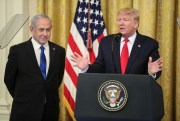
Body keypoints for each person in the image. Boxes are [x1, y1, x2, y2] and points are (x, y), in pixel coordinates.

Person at [71, 8, 163, 80]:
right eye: (119, 20)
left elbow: (155, 70)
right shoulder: (106, 42)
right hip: (112, 94)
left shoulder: (149, 44)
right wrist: (86, 67)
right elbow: (100, 68)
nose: (121, 23)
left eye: (125, 20)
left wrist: (152, 73)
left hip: (137, 94)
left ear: (135, 24)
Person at [4, 14, 65, 121]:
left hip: (50, 111)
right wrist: (24, 98)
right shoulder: (17, 51)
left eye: (48, 30)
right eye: (41, 30)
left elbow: (57, 79)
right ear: (31, 29)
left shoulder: (59, 51)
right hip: (24, 110)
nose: (45, 34)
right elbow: (9, 80)